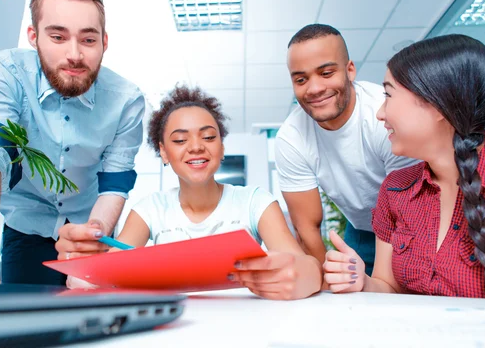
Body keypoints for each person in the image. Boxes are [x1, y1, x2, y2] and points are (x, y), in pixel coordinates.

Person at [0, 0, 144, 285]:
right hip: (25, 229)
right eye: (58, 37)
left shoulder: (127, 100)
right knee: (20, 323)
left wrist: (91, 235)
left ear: (104, 41)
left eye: (88, 39)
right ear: (34, 36)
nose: (75, 54)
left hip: (92, 227)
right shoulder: (7, 72)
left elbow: (115, 183)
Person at [66, 86, 323, 300]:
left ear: (221, 148)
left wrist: (306, 274)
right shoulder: (149, 209)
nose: (197, 147)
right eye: (180, 141)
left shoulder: (256, 202)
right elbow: (97, 276)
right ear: (164, 152)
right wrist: (82, 264)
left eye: (209, 137)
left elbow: (304, 267)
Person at [323, 34, 485, 299]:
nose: (380, 113)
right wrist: (362, 282)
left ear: (437, 104)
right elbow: (388, 288)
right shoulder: (396, 189)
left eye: (388, 95)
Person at [275, 24, 416, 274]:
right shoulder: (291, 137)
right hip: (360, 229)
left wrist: (382, 283)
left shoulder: (383, 116)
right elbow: (307, 229)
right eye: (301, 79)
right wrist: (323, 282)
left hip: (411, 227)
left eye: (326, 73)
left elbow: (409, 214)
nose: (315, 88)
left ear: (350, 70)